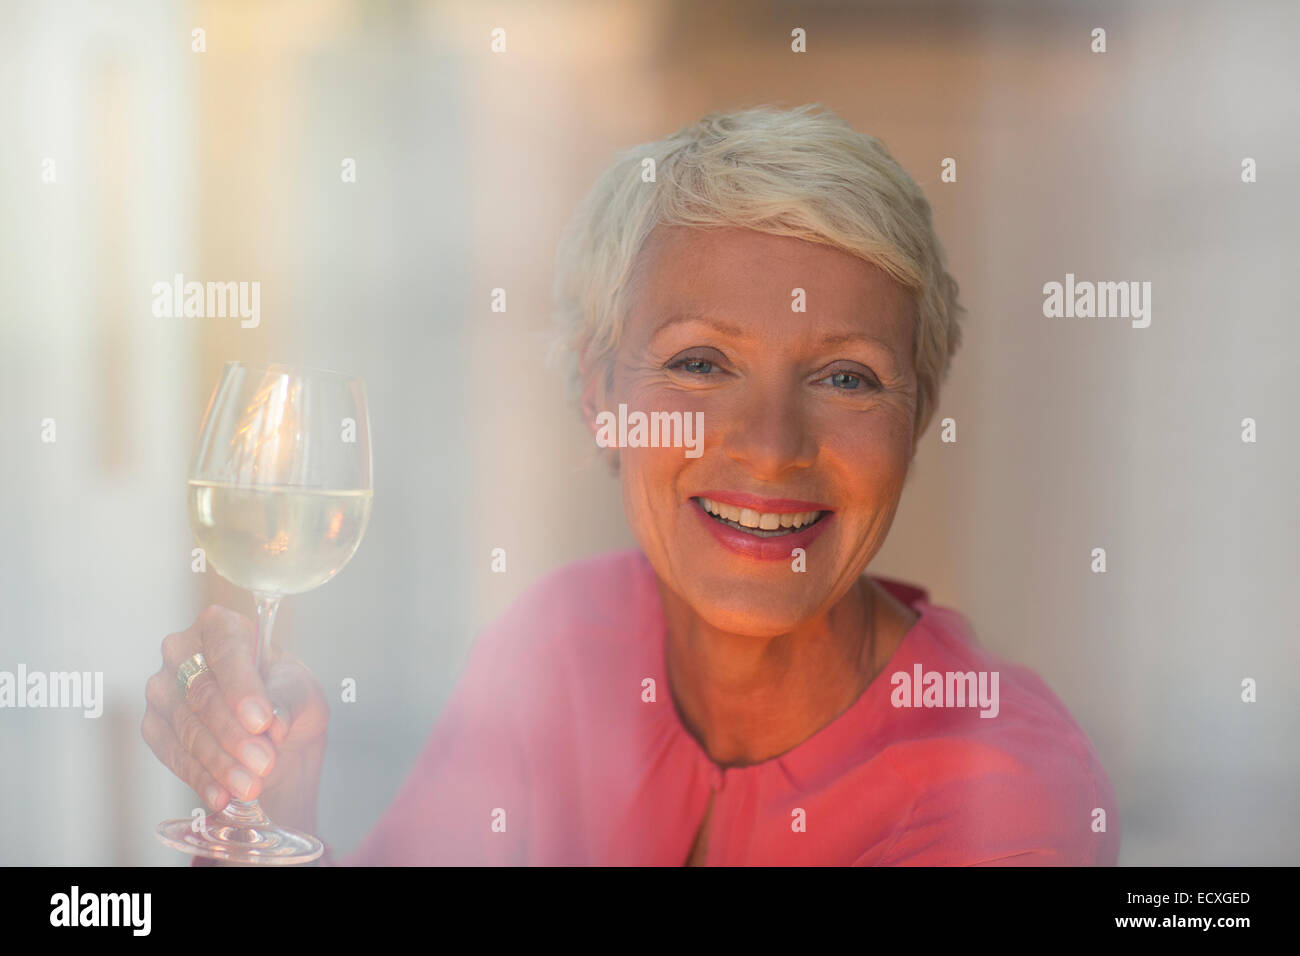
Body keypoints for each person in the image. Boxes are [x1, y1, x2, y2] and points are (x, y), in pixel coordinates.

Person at [143, 104, 1120, 865]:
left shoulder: (1000, 792)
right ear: (596, 392)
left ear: (918, 413)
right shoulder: (564, 642)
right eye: (699, 362)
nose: (771, 445)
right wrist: (268, 796)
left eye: (846, 377)